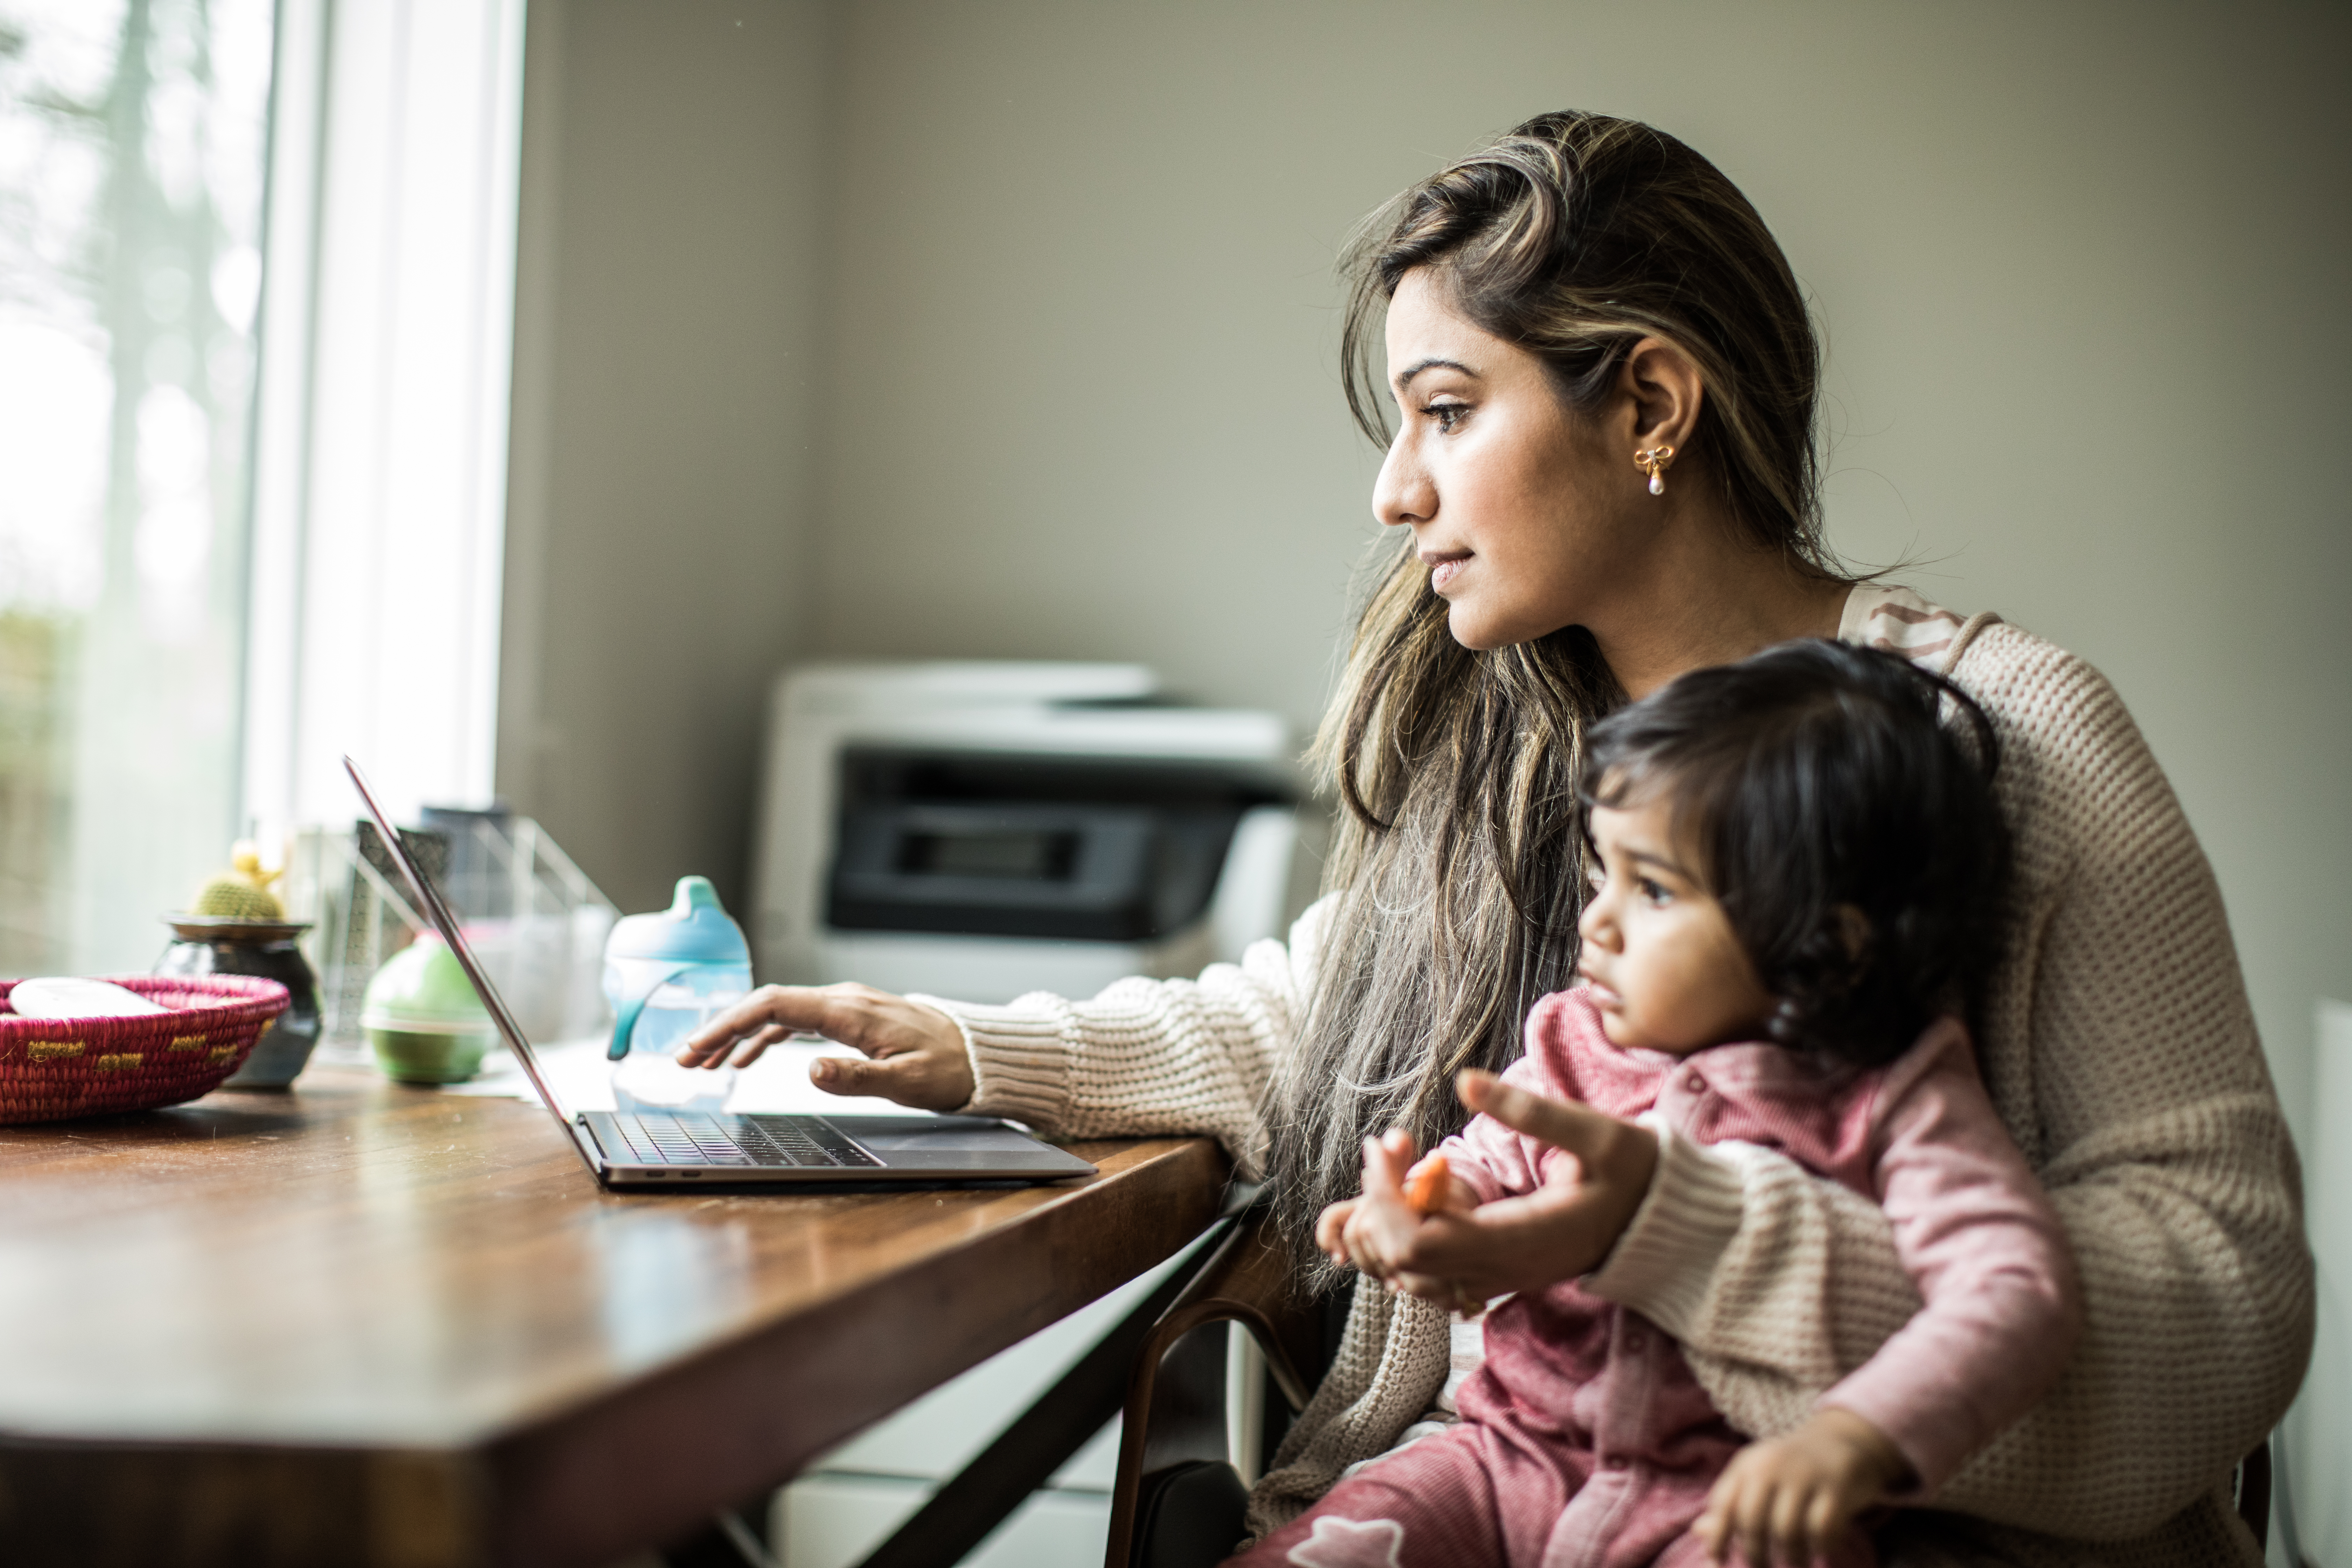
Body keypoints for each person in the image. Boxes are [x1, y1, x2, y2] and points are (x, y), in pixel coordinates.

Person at [681, 112, 2311, 1566]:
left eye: (1447, 410)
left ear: (1653, 405)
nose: (1395, 491)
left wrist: (1685, 1244)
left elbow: (2227, 1299)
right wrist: (964, 1049)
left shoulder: (2006, 736)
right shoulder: (1509, 743)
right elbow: (1321, 1028)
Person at [1238, 638, 2080, 1568]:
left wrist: (1858, 1436)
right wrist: (1433, 1210)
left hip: (1733, 1509)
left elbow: (2014, 1291)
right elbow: (1484, 1162)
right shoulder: (1576, 1038)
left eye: (1653, 889)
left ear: (1826, 946)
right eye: (1605, 873)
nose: (1596, 920)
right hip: (1503, 1459)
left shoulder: (1898, 1094)